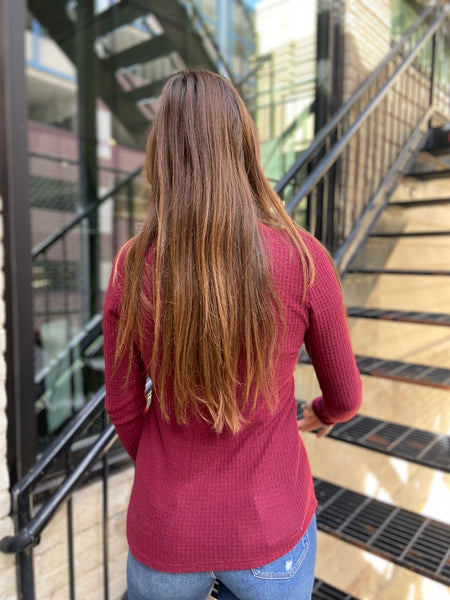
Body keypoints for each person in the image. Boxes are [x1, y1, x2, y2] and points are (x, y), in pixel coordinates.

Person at [103, 69, 362, 600]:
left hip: (165, 533)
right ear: (243, 142)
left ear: (163, 154)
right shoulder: (304, 258)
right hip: (271, 529)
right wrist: (324, 414)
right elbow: (347, 396)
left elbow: (124, 408)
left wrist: (163, 471)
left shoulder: (133, 266)